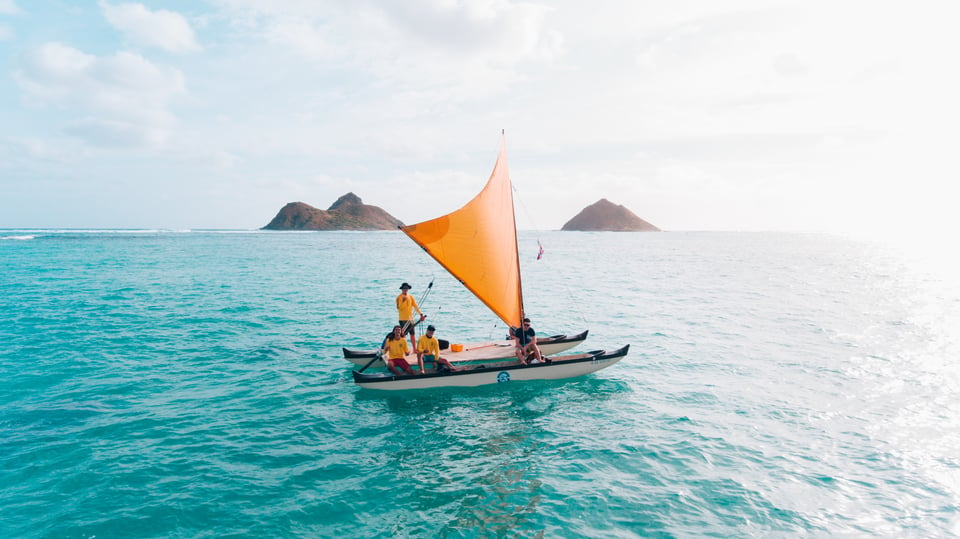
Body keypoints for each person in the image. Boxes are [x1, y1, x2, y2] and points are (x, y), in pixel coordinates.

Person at [396, 282, 425, 351]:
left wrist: (420, 314)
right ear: (402, 289)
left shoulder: (411, 297)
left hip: (410, 319)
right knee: (403, 335)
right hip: (403, 319)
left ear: (408, 289)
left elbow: (415, 306)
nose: (405, 289)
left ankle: (414, 349)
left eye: (406, 288)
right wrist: (403, 301)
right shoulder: (399, 297)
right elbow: (399, 308)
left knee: (412, 334)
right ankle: (404, 349)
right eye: (404, 288)